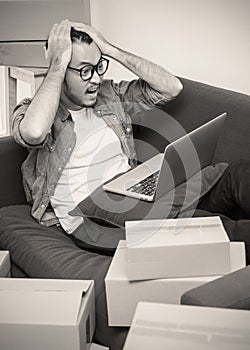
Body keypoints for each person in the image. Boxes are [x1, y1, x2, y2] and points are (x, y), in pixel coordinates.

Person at [12, 19, 183, 252]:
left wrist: (109, 48)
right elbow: (33, 132)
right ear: (60, 69)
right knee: (192, 223)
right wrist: (57, 63)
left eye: (98, 66)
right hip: (91, 219)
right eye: (84, 70)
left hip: (129, 193)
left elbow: (171, 88)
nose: (95, 79)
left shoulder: (110, 96)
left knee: (227, 178)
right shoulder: (33, 112)